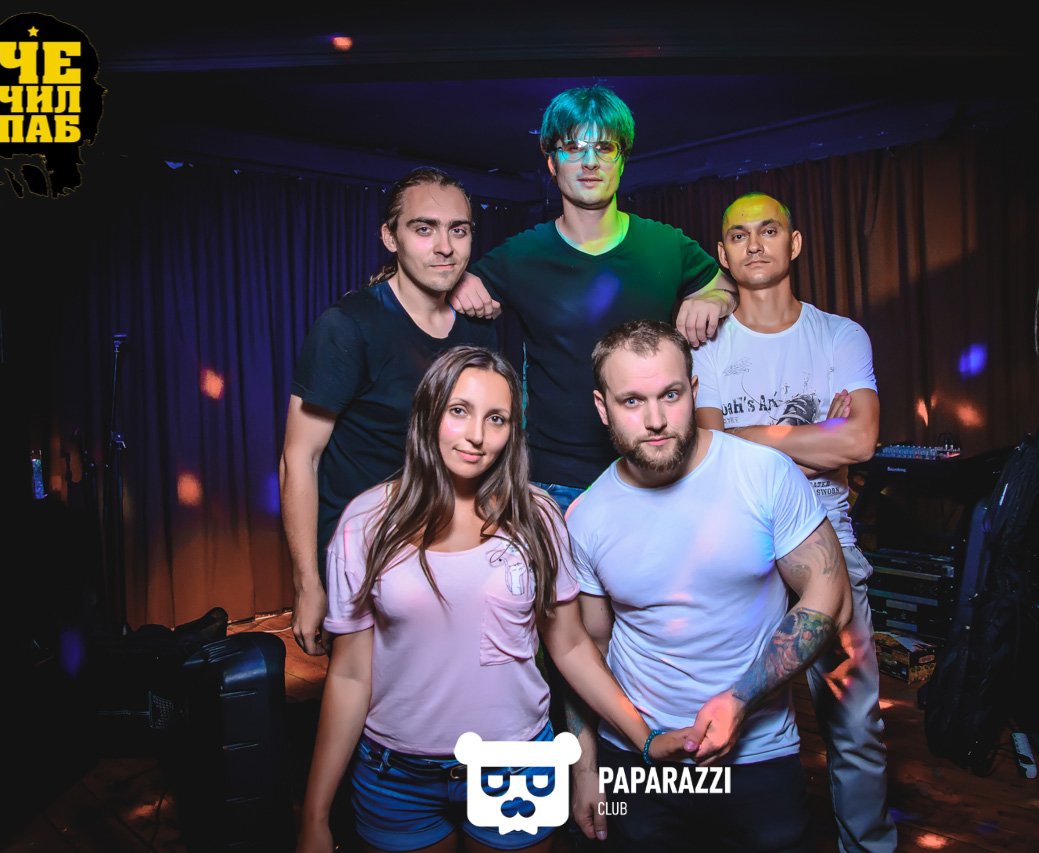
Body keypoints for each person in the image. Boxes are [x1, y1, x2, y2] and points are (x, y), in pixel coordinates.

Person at [297, 345, 695, 853]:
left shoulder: (537, 517)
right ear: (428, 413)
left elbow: (571, 646)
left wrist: (643, 737)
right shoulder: (367, 522)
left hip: (517, 767)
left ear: (512, 432)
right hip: (398, 778)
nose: (477, 435)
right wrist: (315, 815)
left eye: (496, 418)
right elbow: (350, 675)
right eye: (459, 411)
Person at [564, 320, 854, 852]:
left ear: (694, 391)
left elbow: (829, 597)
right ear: (603, 408)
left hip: (757, 751)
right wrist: (585, 769)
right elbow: (587, 650)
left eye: (670, 395)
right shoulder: (586, 517)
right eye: (632, 401)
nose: (655, 420)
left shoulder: (763, 473)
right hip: (637, 756)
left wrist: (740, 699)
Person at [692, 192, 896, 852]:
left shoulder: (840, 335)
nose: (755, 244)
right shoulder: (708, 347)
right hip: (737, 533)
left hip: (825, 529)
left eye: (769, 230)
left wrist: (749, 437)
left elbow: (860, 441)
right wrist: (814, 439)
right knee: (725, 711)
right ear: (723, 254)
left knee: (854, 723)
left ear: (795, 243)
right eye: (739, 235)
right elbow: (705, 452)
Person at [448, 84, 737, 512]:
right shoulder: (521, 255)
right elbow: (443, 294)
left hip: (655, 473)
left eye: (604, 148)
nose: (589, 162)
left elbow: (728, 286)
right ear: (552, 162)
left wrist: (714, 297)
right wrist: (458, 284)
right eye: (573, 148)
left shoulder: (666, 245)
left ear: (622, 160)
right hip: (554, 484)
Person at [280, 167, 496, 657]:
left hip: (448, 550)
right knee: (369, 695)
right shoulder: (347, 327)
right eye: (424, 229)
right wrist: (308, 582)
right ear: (390, 236)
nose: (444, 247)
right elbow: (299, 458)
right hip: (366, 557)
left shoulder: (478, 329)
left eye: (458, 230)